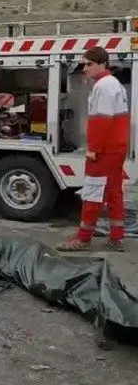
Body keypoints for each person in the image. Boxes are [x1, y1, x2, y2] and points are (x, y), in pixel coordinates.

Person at [57, 46, 129, 252]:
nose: (84, 68)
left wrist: (93, 149)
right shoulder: (113, 84)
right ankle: (117, 237)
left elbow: (102, 121)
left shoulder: (103, 87)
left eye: (89, 64)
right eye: (84, 64)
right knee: (114, 192)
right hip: (116, 149)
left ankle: (83, 238)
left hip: (105, 151)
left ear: (102, 64)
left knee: (93, 192)